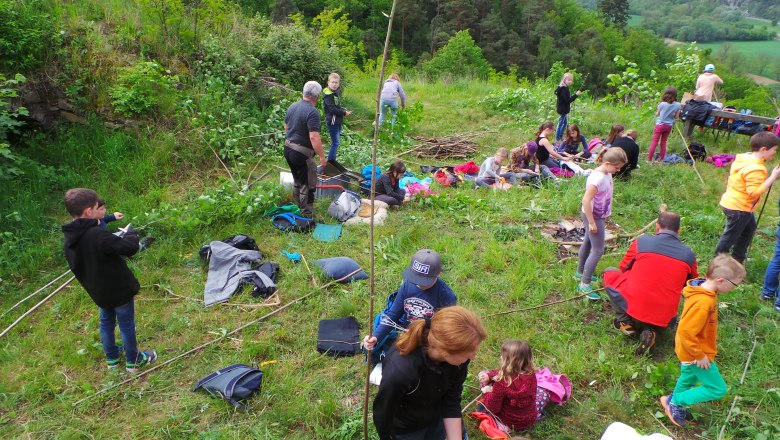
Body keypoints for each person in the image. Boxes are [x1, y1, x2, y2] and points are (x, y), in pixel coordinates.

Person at [61, 188, 157, 372]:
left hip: (98, 291)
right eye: (98, 207)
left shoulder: (71, 238)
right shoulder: (95, 235)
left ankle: (112, 358)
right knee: (126, 323)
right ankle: (134, 360)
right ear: (89, 211)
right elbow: (129, 248)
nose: (100, 210)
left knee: (106, 321)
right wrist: (132, 234)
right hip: (118, 289)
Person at [373, 306, 487, 440]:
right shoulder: (401, 371)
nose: (473, 357)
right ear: (445, 350)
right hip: (407, 430)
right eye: (469, 354)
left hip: (436, 419)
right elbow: (383, 415)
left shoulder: (458, 362)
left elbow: (451, 400)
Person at [660, 254, 745, 427]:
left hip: (691, 349)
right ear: (721, 280)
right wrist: (699, 355)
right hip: (695, 352)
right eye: (735, 284)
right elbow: (686, 332)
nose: (736, 287)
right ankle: (676, 402)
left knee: (688, 377)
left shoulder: (703, 288)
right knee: (717, 388)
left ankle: (670, 400)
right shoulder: (703, 302)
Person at [604, 210, 698, 355]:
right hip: (667, 315)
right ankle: (651, 330)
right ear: (679, 230)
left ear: (657, 227)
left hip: (636, 303)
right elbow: (691, 284)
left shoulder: (642, 242)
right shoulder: (689, 255)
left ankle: (625, 322)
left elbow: (623, 267)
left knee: (610, 272)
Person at [363, 249, 457, 365]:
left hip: (429, 340)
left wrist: (424, 335)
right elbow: (393, 315)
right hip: (406, 334)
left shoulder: (445, 296)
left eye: (424, 281)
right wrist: (376, 337)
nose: (419, 283)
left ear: (438, 274)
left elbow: (446, 329)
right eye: (416, 278)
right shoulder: (408, 285)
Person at [714, 132, 780, 263]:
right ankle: (717, 263)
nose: (775, 153)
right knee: (729, 237)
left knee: (749, 229)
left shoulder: (745, 158)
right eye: (774, 150)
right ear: (763, 149)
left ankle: (737, 259)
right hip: (739, 208)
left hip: (736, 203)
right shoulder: (756, 169)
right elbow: (753, 193)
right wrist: (773, 177)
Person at [577, 147, 628, 300]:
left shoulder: (606, 173)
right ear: (607, 163)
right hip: (594, 216)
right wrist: (592, 222)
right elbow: (586, 200)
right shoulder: (597, 178)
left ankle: (580, 272)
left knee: (587, 241)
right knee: (598, 250)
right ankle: (584, 284)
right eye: (617, 167)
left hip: (598, 215)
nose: (618, 170)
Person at [478, 340, 546, 432]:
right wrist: (489, 375)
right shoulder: (531, 375)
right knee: (541, 392)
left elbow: (493, 408)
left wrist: (488, 392)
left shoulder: (501, 382)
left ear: (507, 362)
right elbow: (502, 372)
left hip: (507, 423)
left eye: (503, 355)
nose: (501, 356)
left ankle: (503, 427)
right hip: (528, 420)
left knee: (483, 375)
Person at [284, 81, 327, 217]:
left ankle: (298, 206)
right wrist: (321, 156)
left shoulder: (292, 106)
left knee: (298, 179)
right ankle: (306, 212)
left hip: (288, 148)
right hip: (301, 153)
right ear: (317, 96)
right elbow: (314, 136)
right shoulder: (312, 112)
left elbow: (286, 127)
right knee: (308, 183)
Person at [322, 73, 351, 163]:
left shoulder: (335, 93)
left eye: (336, 83)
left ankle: (332, 160)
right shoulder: (328, 94)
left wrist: (342, 110)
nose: (334, 84)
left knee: (336, 142)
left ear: (339, 84)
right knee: (335, 142)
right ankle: (330, 162)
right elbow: (332, 109)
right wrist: (344, 113)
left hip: (338, 121)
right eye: (332, 82)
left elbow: (337, 105)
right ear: (328, 82)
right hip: (332, 121)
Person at [648, 87, 681, 162]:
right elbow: (676, 117)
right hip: (668, 126)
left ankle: (649, 159)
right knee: (663, 142)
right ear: (675, 95)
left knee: (654, 142)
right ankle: (661, 159)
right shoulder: (678, 105)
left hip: (660, 125)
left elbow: (657, 114)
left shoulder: (662, 104)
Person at [554, 72, 581, 142]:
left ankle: (560, 136)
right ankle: (557, 139)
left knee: (565, 123)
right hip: (562, 109)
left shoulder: (565, 88)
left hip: (564, 109)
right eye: (568, 80)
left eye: (571, 80)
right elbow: (567, 100)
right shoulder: (563, 89)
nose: (570, 81)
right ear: (564, 80)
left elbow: (567, 98)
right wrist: (576, 95)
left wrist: (575, 95)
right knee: (560, 124)